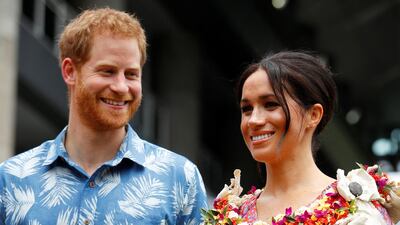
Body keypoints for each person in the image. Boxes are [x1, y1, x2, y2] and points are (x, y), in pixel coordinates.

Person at [0, 8, 207, 225]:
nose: (121, 86)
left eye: (131, 74)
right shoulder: (11, 179)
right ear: (70, 71)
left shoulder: (180, 179)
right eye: (107, 71)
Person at [202, 51, 398, 225]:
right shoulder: (226, 216)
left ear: (313, 115)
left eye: (270, 104)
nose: (254, 120)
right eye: (246, 109)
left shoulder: (356, 209)